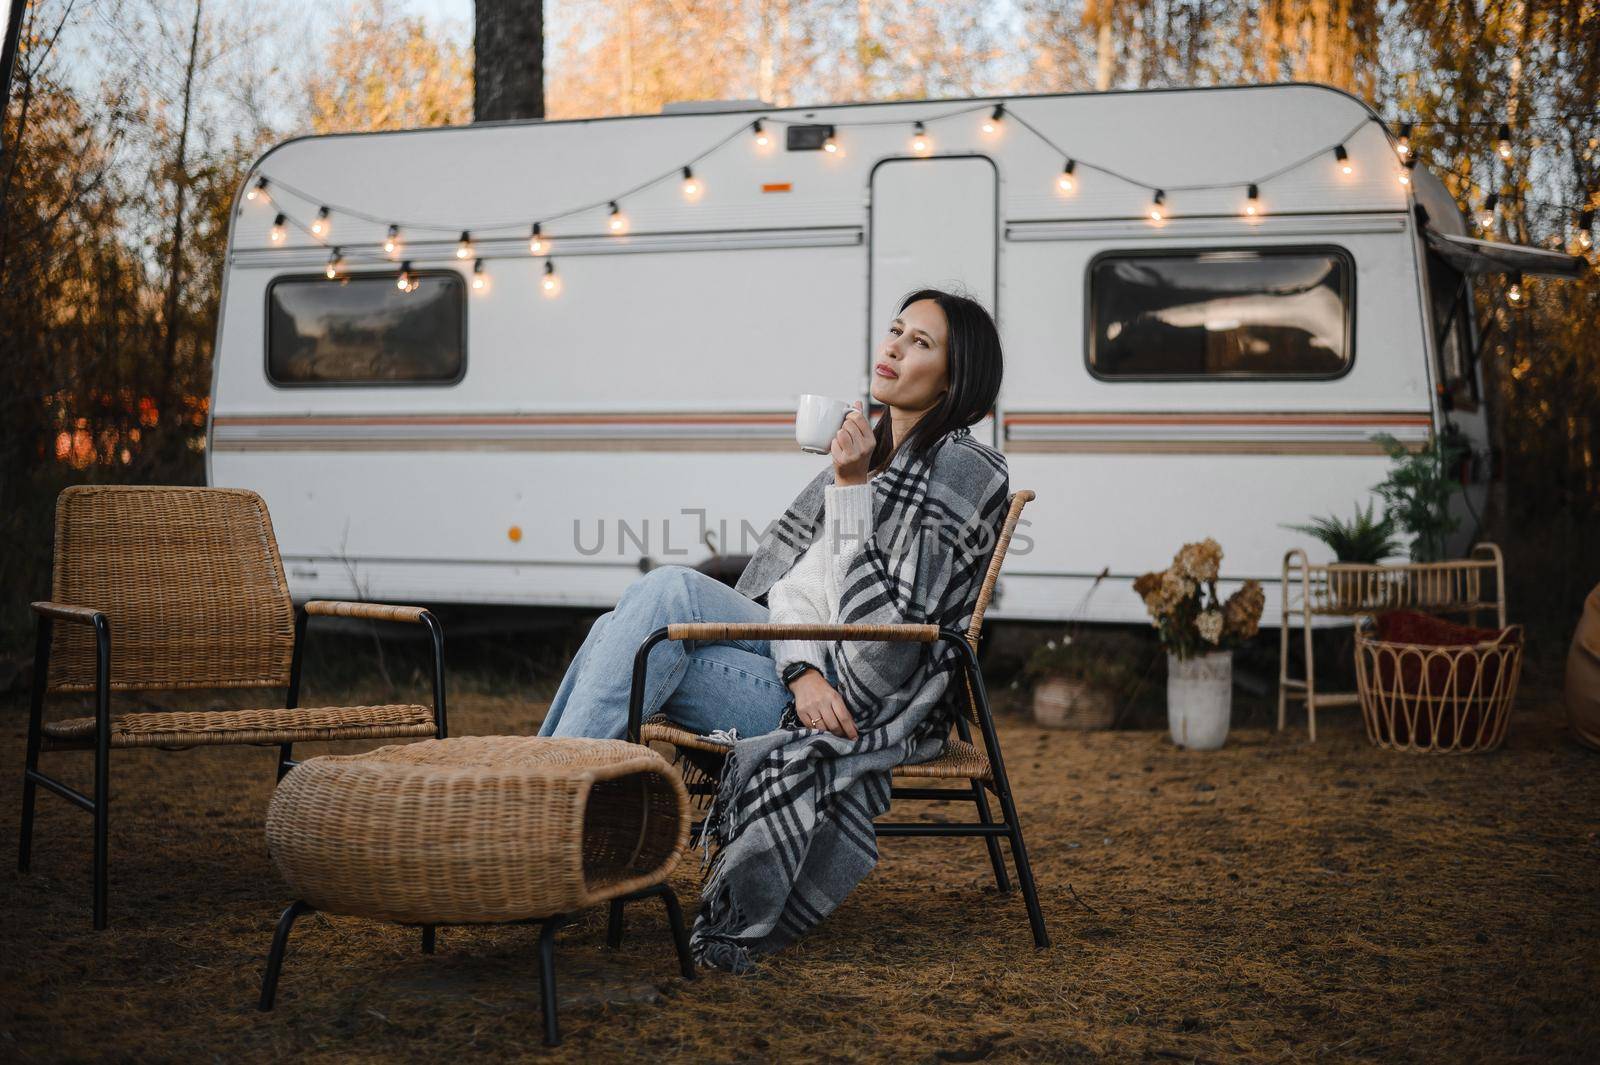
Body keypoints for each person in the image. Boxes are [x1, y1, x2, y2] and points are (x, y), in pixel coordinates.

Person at [538, 286, 1011, 973]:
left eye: (921, 343)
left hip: (858, 703)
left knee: (642, 620)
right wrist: (801, 666)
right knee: (639, 613)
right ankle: (540, 810)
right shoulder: (868, 453)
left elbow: (884, 644)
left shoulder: (961, 469)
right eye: (896, 330)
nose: (894, 348)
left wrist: (849, 493)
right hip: (810, 668)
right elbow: (793, 589)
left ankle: (533, 817)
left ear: (956, 375)